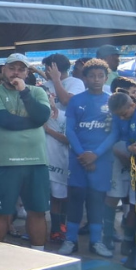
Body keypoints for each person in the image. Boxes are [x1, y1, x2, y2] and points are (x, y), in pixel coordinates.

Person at [0, 53, 52, 250]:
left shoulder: (37, 93)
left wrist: (24, 93)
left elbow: (43, 115)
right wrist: (35, 121)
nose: (16, 73)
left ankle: (39, 256)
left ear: (27, 73)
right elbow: (6, 121)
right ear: (4, 70)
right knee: (1, 213)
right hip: (4, 163)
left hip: (36, 161)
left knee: (37, 211)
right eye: (12, 68)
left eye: (21, 69)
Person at [59, 59, 119, 258]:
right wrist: (82, 155)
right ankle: (70, 240)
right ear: (84, 78)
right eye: (92, 75)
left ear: (106, 77)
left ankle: (96, 241)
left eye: (100, 76)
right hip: (79, 160)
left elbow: (114, 134)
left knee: (97, 201)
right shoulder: (76, 100)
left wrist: (95, 155)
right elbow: (70, 130)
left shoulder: (112, 101)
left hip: (101, 161)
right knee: (75, 198)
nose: (96, 79)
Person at [40, 54, 85, 242]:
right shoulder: (44, 86)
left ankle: (65, 225)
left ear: (55, 68)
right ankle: (56, 228)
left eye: (48, 68)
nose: (45, 72)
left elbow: (67, 101)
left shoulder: (75, 82)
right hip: (48, 144)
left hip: (68, 140)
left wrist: (57, 80)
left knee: (67, 189)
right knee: (53, 190)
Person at [104, 77, 136, 250]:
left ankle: (128, 241)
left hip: (132, 159)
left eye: (124, 115)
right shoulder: (118, 115)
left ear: (133, 105)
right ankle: (108, 234)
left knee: (133, 203)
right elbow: (113, 138)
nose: (122, 118)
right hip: (120, 156)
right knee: (113, 195)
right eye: (119, 116)